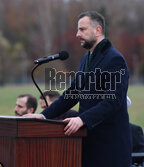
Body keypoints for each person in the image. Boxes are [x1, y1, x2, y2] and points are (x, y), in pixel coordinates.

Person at [23, 11, 131, 167]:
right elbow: (72, 94)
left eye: (82, 29)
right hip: (88, 142)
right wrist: (43, 116)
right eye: (77, 30)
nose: (77, 34)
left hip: (109, 146)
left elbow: (113, 102)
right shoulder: (86, 58)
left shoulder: (114, 59)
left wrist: (82, 119)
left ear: (98, 30)